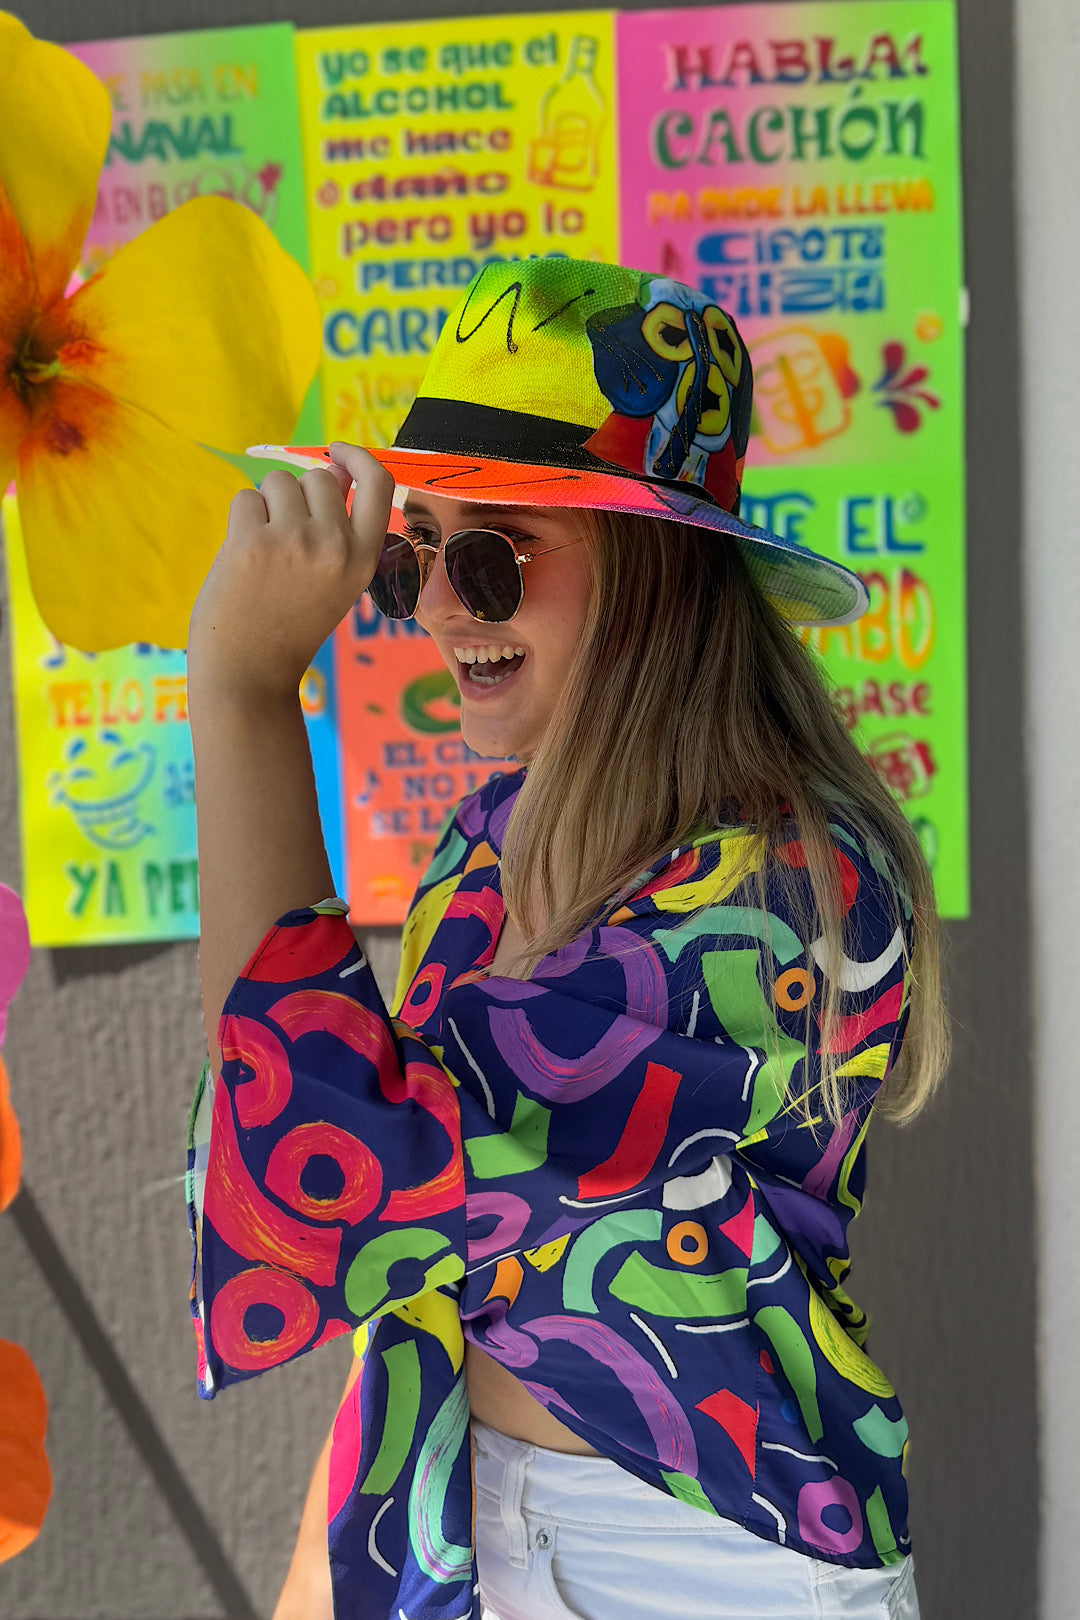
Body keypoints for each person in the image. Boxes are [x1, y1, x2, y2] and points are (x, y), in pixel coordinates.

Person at [186, 259, 946, 1620]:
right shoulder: (489, 842)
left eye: (491, 555)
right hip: (468, 1518)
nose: (435, 607)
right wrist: (321, 1556)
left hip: (710, 1557)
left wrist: (243, 695)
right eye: (416, 553)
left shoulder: (795, 884)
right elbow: (424, 1258)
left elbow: (344, 1167)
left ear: (655, 576)